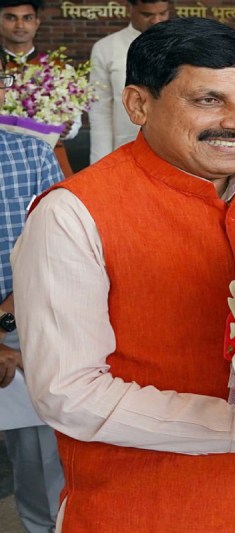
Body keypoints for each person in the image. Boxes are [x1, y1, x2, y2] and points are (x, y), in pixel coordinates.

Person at [12, 17, 235, 533]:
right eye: (208, 100)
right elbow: (69, 393)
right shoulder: (73, 213)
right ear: (138, 105)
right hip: (143, 509)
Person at [0, 55, 65, 533]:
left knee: (41, 466)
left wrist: (8, 321)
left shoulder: (32, 155)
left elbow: (61, 250)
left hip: (21, 331)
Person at [0, 0, 77, 176]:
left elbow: (75, 120)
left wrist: (67, 128)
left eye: (27, 18)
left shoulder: (59, 68)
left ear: (37, 22)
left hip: (52, 157)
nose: (20, 25)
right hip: (5, 159)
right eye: (11, 18)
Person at [88, 0, 169, 164]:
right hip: (126, 151)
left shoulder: (184, 47)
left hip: (176, 154)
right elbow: (99, 111)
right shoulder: (106, 48)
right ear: (130, 9)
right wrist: (101, 164)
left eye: (163, 13)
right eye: (147, 15)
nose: (156, 21)